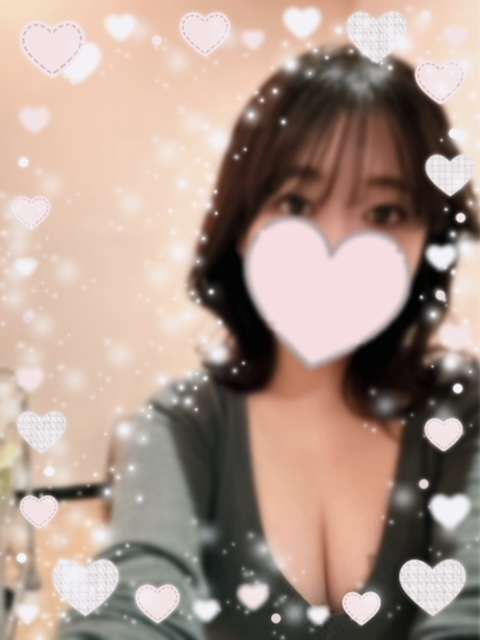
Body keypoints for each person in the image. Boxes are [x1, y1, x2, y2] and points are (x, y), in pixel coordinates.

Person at [56, 44, 480, 639]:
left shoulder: (461, 416)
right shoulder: (180, 427)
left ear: (428, 239)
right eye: (296, 203)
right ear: (243, 226)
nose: (336, 244)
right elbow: (131, 606)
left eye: (386, 213)